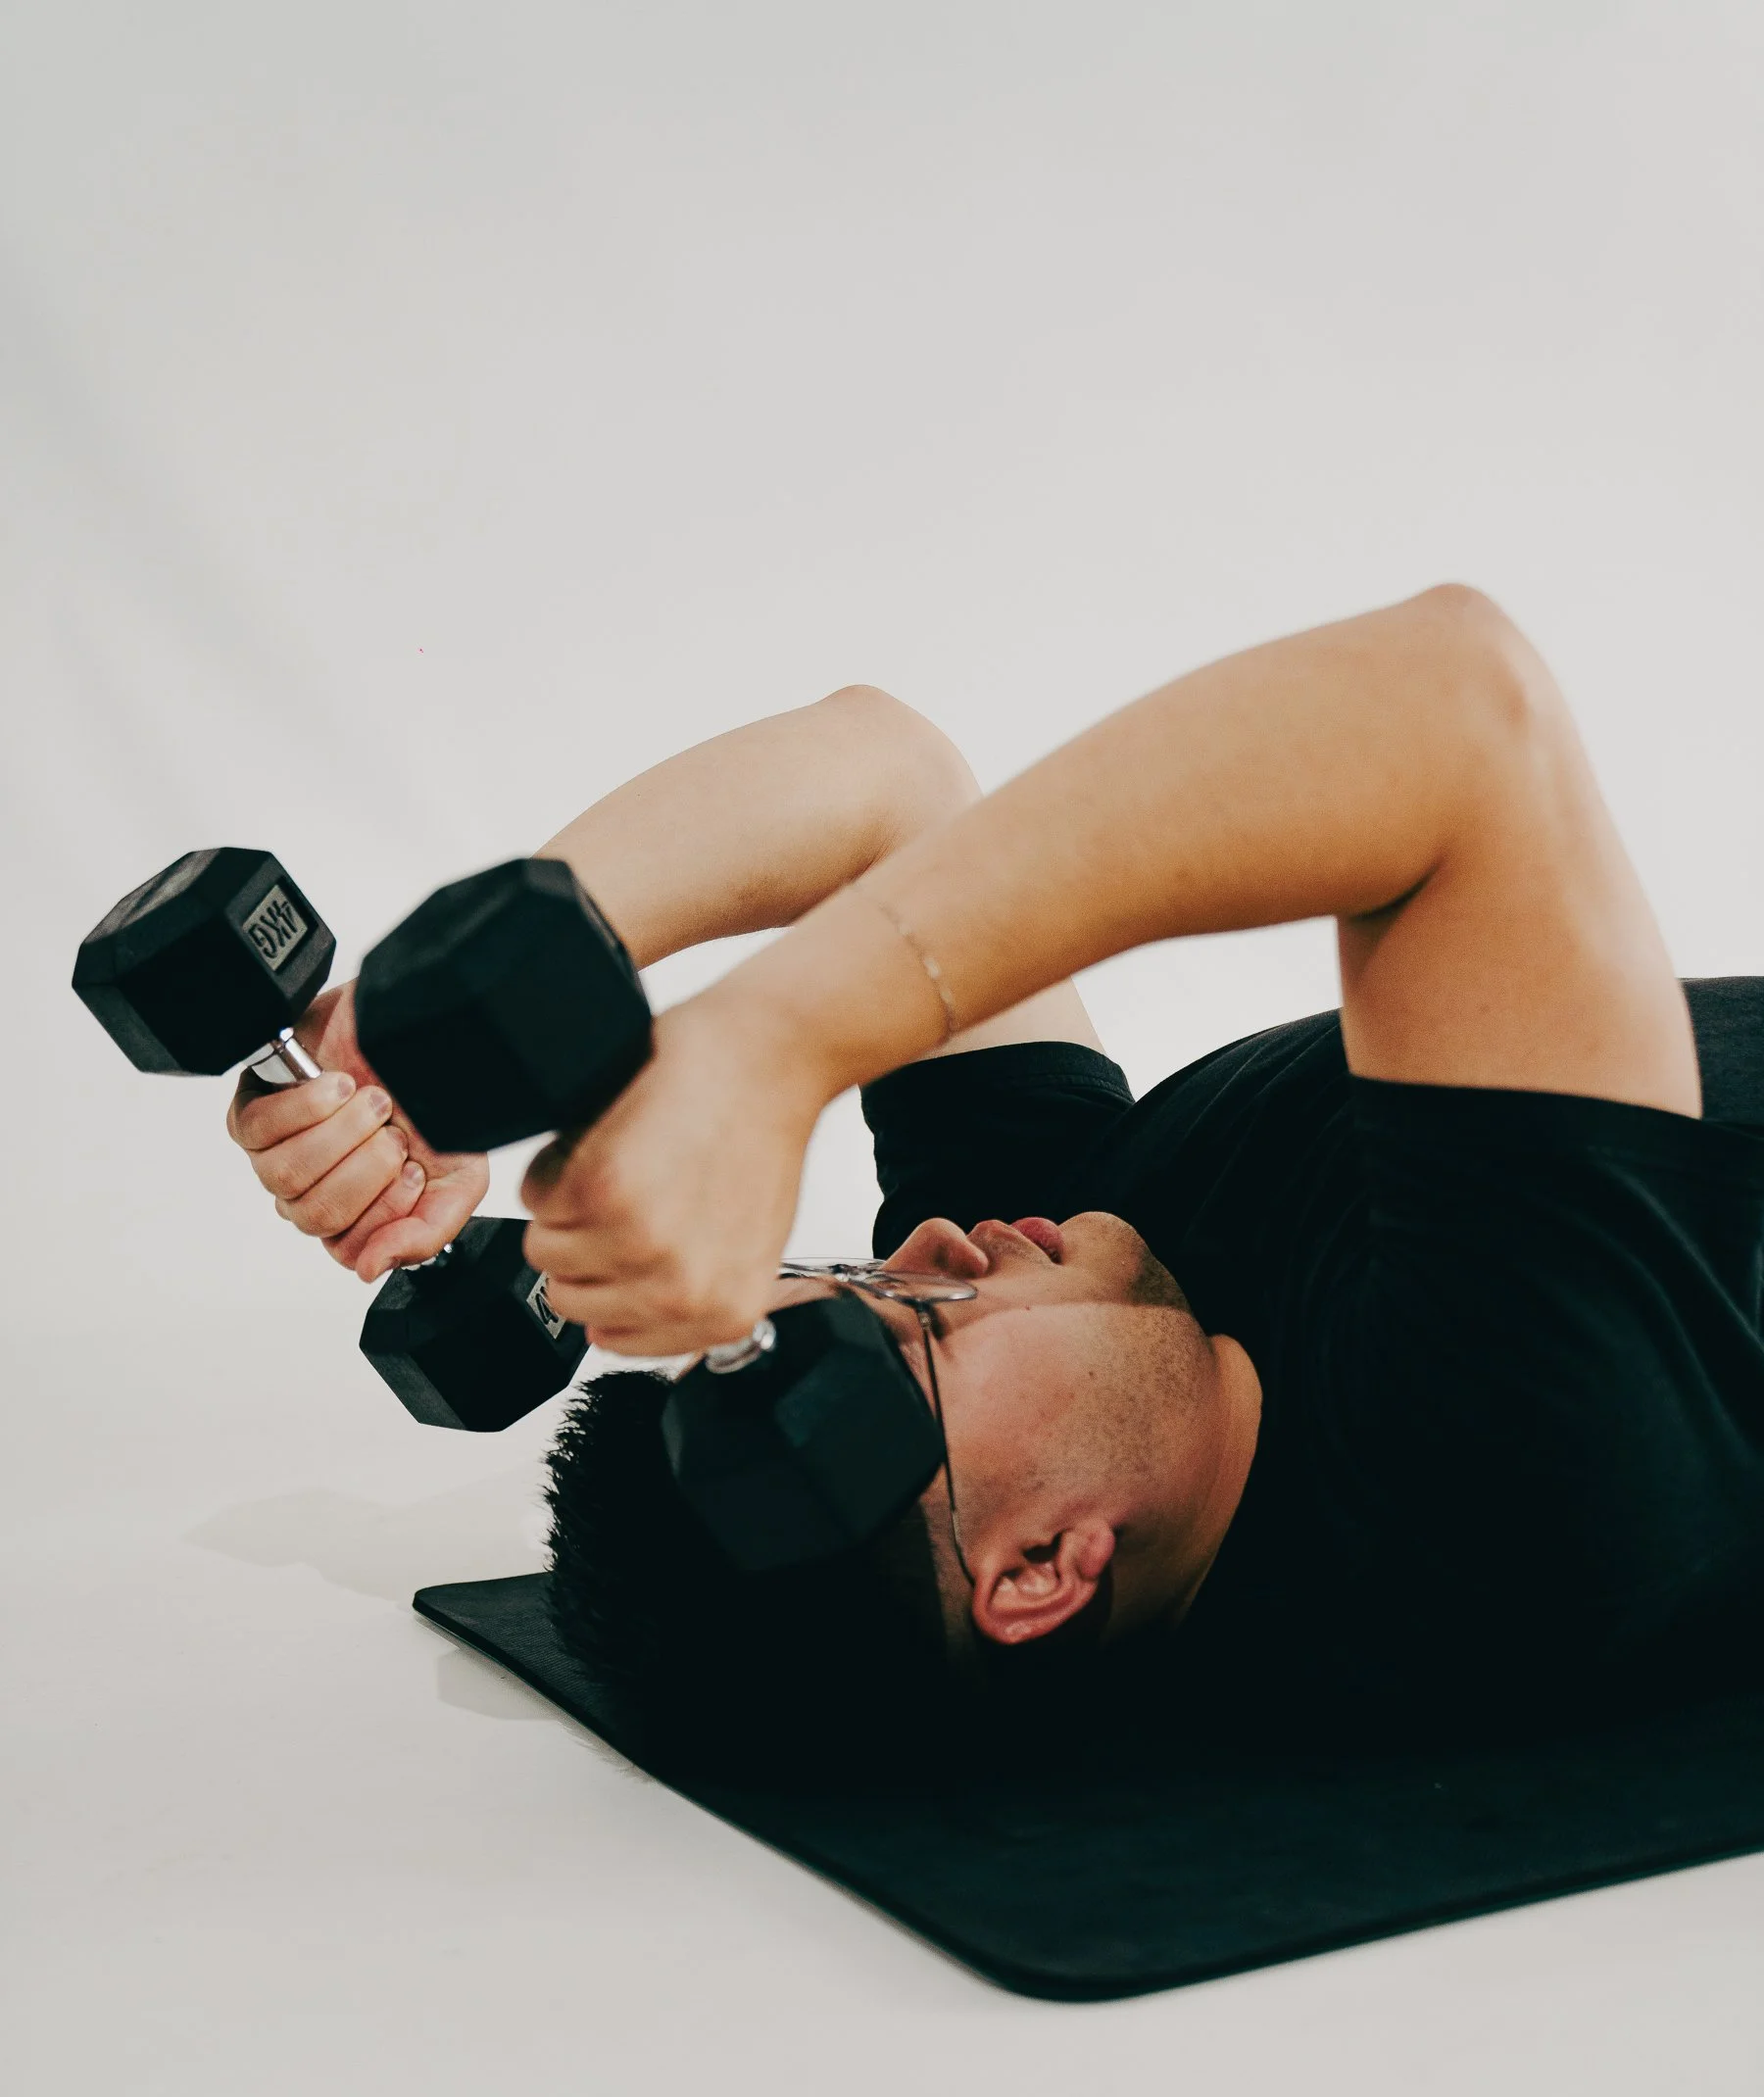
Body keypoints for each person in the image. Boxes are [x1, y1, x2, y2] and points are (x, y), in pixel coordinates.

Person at [228, 592, 1764, 1755]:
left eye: (851, 1281)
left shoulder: (1084, 1287)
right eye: (914, 1328)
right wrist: (776, 1044)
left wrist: (459, 1035)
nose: (940, 1248)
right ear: (1038, 1570)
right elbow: (1458, 704)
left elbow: (879, 779)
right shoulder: (1490, 1487)